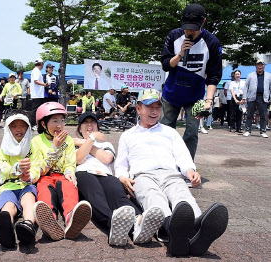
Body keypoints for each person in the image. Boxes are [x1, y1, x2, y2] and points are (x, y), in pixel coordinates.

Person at [114, 89, 228, 257]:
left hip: (171, 174)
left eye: (158, 107)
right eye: (149, 107)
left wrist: (190, 171)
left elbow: (183, 156)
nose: (154, 112)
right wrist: (122, 177)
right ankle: (180, 230)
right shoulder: (128, 136)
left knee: (182, 195)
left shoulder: (169, 132)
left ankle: (191, 228)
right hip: (143, 176)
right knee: (154, 197)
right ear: (138, 109)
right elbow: (121, 164)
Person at [74, 112, 164, 246]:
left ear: (97, 127)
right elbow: (79, 159)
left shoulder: (106, 144)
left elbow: (107, 158)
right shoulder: (72, 144)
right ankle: (113, 226)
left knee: (118, 196)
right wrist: (90, 139)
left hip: (105, 174)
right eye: (85, 123)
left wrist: (88, 141)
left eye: (92, 122)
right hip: (84, 173)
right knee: (97, 198)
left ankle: (138, 224)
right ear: (79, 128)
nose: (89, 125)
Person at [160, 3, 222, 160]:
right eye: (186, 27)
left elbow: (214, 75)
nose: (189, 32)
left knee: (192, 133)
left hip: (195, 97)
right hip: (171, 93)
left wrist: (209, 101)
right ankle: (165, 164)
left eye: (193, 28)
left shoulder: (212, 42)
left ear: (203, 22)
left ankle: (186, 167)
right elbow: (166, 65)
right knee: (166, 131)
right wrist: (180, 53)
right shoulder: (174, 35)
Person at [30, 102, 92, 240]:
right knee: (44, 190)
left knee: (69, 186)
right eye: (55, 121)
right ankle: (49, 221)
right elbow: (39, 168)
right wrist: (55, 147)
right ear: (44, 124)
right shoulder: (36, 142)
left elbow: (70, 162)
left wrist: (70, 172)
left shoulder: (68, 140)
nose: (59, 125)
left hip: (62, 175)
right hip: (44, 176)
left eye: (62, 121)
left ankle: (71, 218)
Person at [0, 109, 38, 248]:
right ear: (7, 129)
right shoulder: (2, 150)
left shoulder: (32, 147)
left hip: (27, 184)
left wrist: (29, 176)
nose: (19, 129)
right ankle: (6, 227)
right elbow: (5, 170)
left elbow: (36, 166)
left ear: (28, 128)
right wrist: (17, 169)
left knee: (28, 198)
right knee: (8, 205)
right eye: (14, 126)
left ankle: (28, 225)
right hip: (8, 186)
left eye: (23, 126)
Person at [242, 59, 271, 138]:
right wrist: (244, 97)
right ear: (256, 66)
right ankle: (248, 130)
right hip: (252, 97)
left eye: (261, 65)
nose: (260, 66)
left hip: (263, 98)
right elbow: (246, 87)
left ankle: (263, 131)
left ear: (264, 66)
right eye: (258, 65)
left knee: (263, 115)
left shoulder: (269, 75)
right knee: (249, 115)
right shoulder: (250, 75)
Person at [31, 58, 50, 131]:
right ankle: (33, 124)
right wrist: (45, 84)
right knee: (35, 109)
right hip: (37, 94)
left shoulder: (36, 71)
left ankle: (37, 123)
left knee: (38, 109)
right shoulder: (36, 71)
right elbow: (36, 81)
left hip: (38, 94)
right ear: (41, 64)